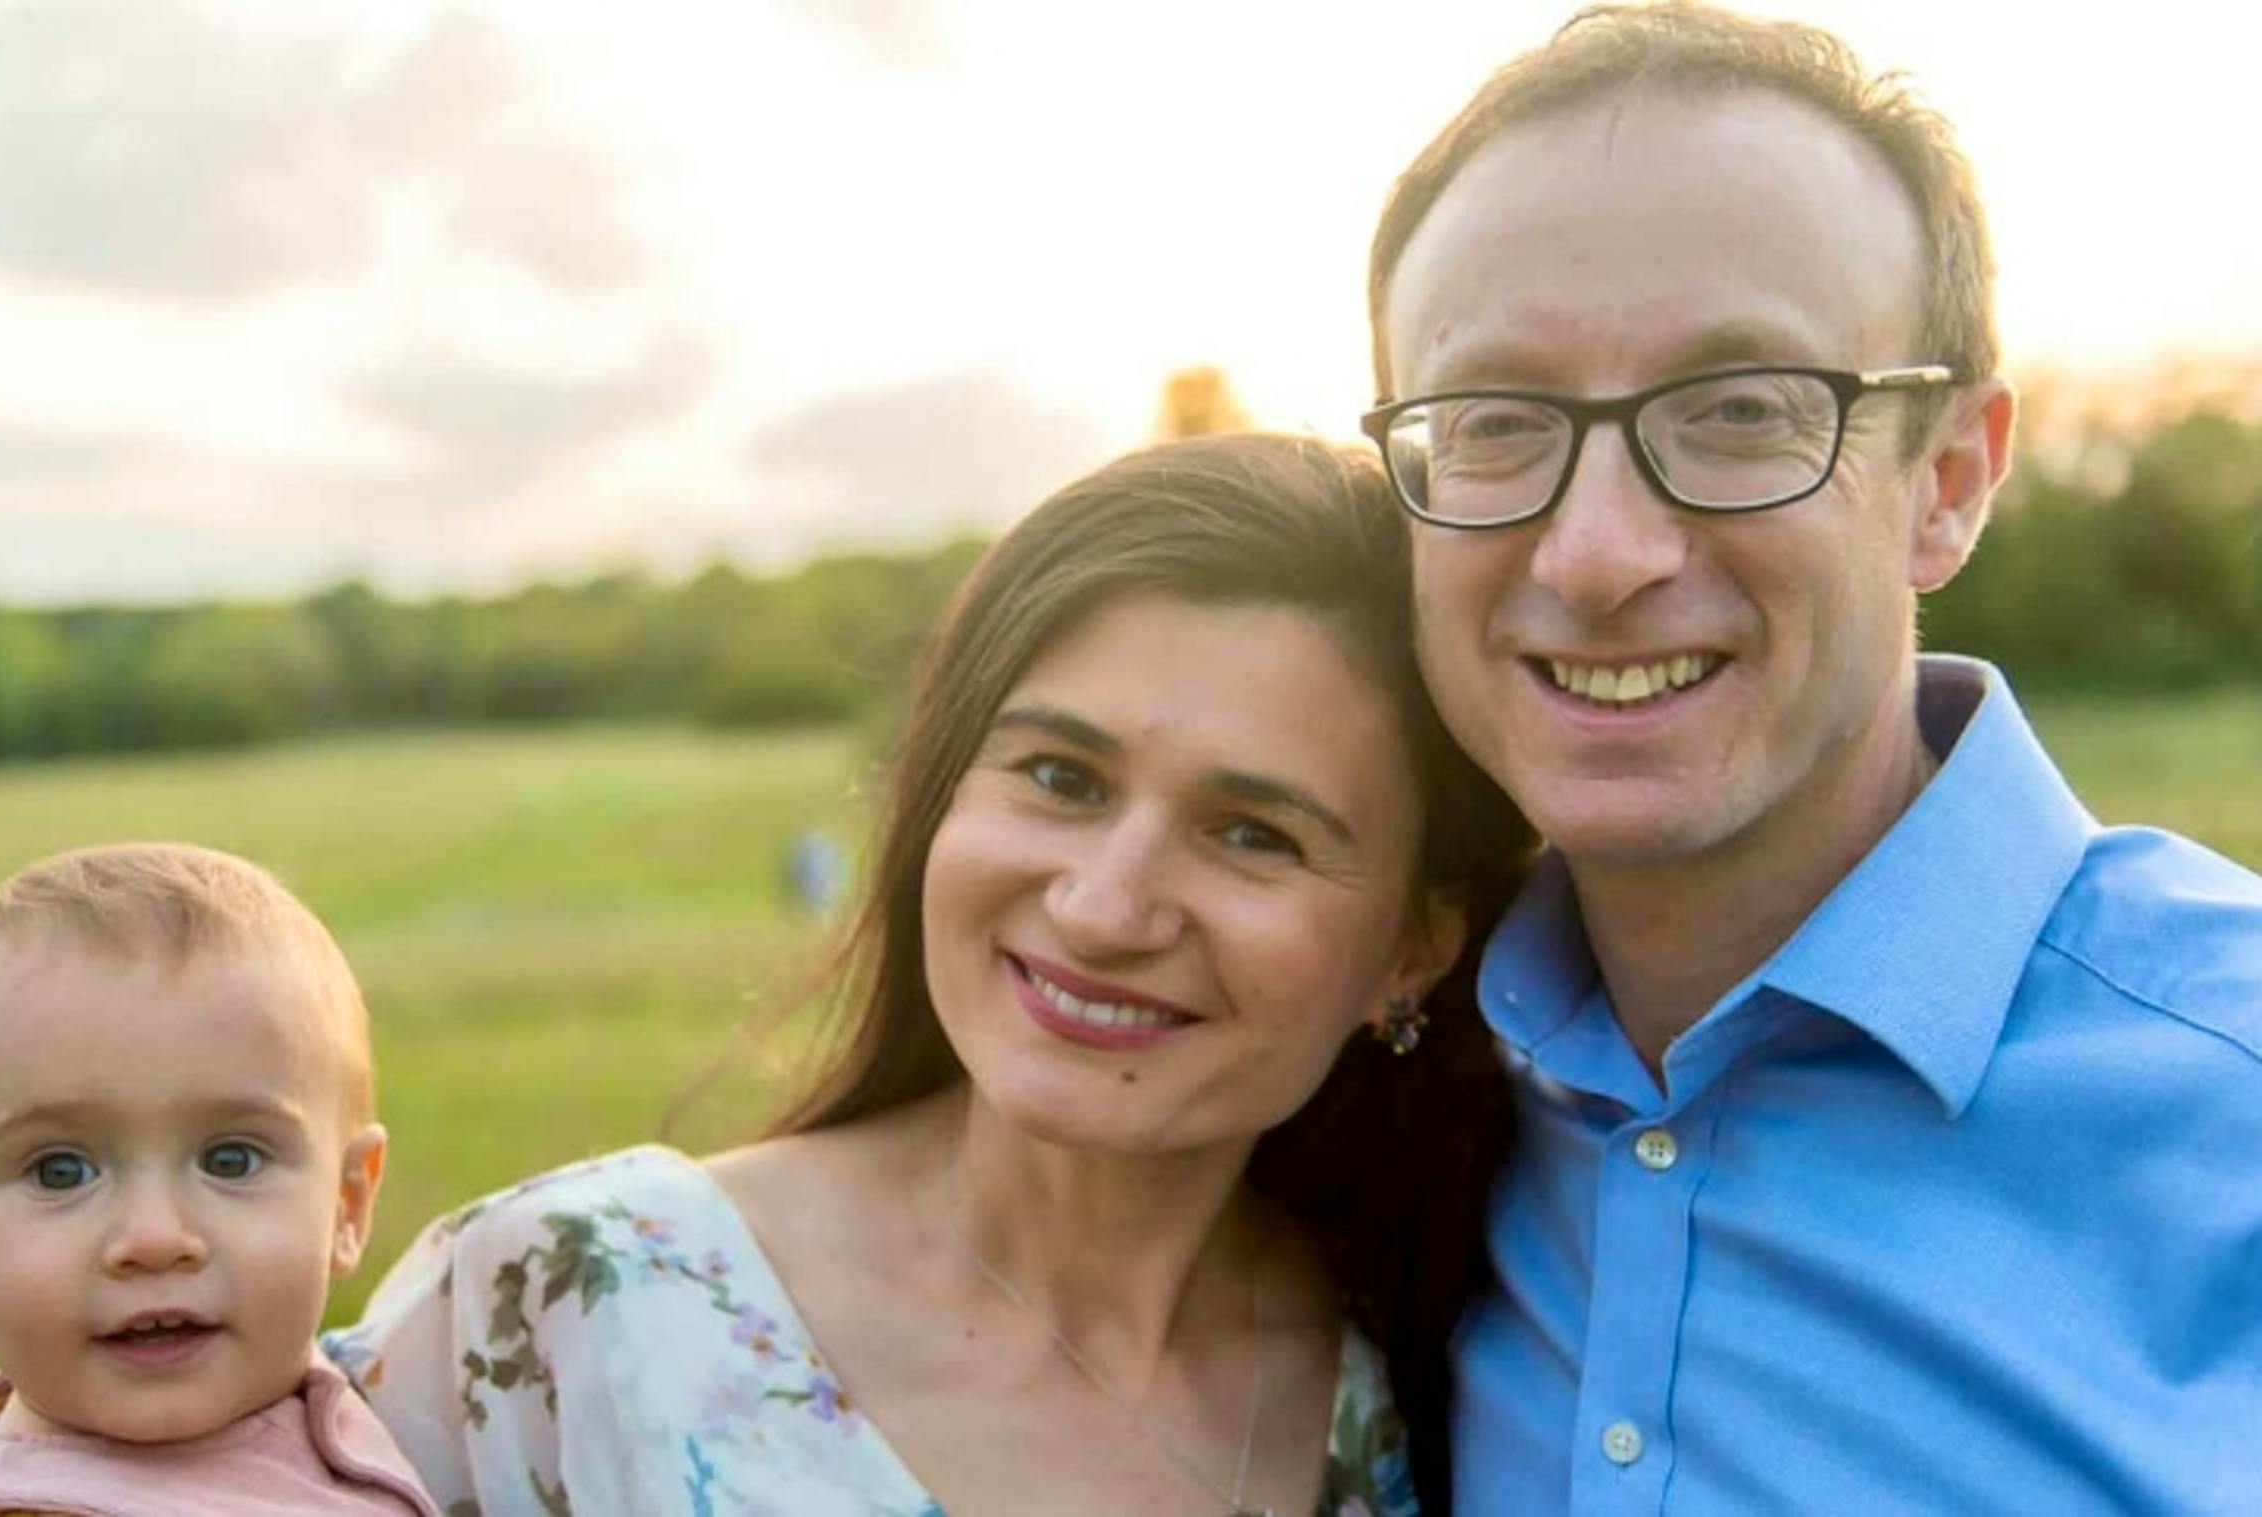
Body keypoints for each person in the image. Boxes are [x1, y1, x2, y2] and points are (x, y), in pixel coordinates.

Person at [1358, 4, 2262, 1511]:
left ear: (1951, 482)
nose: (1595, 555)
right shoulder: (1363, 1067)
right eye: (1497, 422)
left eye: (1738, 410)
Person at [328, 434, 1535, 1515]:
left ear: (1413, 948)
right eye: (1062, 777)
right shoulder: (558, 1306)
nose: (1103, 906)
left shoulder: (1438, 1370)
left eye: (1253, 833)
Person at [0, 843, 435, 1516]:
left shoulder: (315, 1409)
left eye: (231, 1160)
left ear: (346, 1201)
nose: (155, 1237)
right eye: (60, 1171)